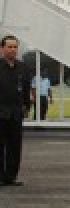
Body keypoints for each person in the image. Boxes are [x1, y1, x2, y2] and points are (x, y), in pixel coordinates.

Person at [0, 35, 34, 187]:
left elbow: (26, 89)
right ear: (2, 49)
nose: (13, 50)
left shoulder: (23, 68)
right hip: (1, 112)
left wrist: (27, 106)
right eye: (9, 47)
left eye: (15, 47)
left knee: (15, 146)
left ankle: (11, 177)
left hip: (16, 113)